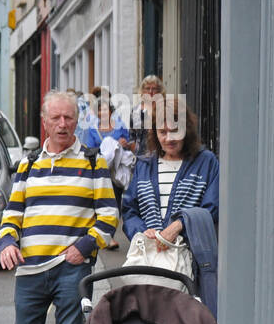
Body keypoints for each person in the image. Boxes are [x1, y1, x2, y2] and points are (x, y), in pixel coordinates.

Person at [0, 89, 120, 324]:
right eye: (57, 118)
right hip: (31, 270)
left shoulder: (93, 161)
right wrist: (6, 242)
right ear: (45, 122)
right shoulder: (28, 164)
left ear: (76, 120)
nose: (64, 124)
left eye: (69, 117)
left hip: (71, 269)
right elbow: (12, 215)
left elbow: (109, 217)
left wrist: (84, 246)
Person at [121, 95, 219, 246]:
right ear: (154, 133)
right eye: (163, 132)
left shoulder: (206, 162)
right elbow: (129, 210)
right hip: (149, 254)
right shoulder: (144, 165)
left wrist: (180, 225)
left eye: (175, 130)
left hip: (190, 257)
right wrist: (141, 231)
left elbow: (212, 208)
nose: (169, 138)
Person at [79, 85, 136, 221]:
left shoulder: (120, 125)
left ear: (110, 111)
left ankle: (113, 226)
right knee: (101, 200)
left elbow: (129, 145)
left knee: (115, 201)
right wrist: (109, 148)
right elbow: (90, 150)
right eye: (99, 110)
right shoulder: (92, 129)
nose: (102, 113)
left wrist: (123, 144)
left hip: (116, 172)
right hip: (101, 170)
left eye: (104, 110)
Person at [129, 75, 165, 157]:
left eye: (154, 88)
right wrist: (136, 150)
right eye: (147, 88)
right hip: (140, 156)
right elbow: (131, 136)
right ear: (142, 91)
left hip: (160, 154)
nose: (150, 91)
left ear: (159, 91)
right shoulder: (136, 111)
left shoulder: (164, 109)